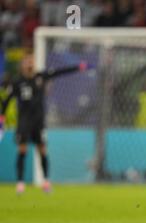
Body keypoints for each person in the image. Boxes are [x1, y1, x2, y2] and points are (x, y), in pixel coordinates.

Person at [0, 53, 89, 194]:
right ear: (22, 65)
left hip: (39, 121)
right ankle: (20, 183)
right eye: (27, 62)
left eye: (32, 61)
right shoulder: (17, 82)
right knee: (22, 150)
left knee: (42, 150)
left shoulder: (41, 77)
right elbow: (6, 100)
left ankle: (46, 181)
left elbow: (60, 72)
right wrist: (2, 118)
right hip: (24, 122)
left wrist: (79, 67)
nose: (30, 64)